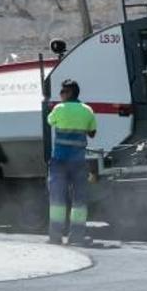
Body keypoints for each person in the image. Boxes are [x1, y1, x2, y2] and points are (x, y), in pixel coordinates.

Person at [47, 79, 97, 246]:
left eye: (62, 92)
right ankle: (77, 236)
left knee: (57, 199)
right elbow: (92, 133)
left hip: (59, 162)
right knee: (79, 201)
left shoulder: (59, 109)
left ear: (69, 93)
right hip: (78, 162)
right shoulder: (87, 110)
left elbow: (50, 121)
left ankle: (55, 236)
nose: (60, 95)